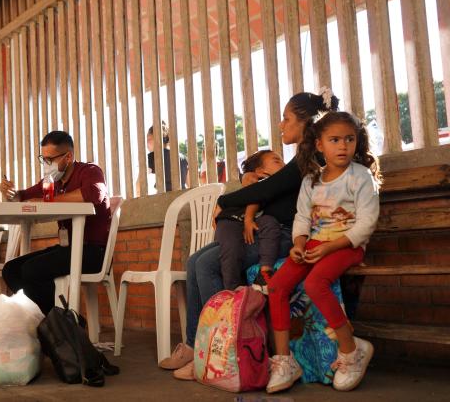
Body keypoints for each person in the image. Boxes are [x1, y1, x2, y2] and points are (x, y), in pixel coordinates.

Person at [159, 90, 339, 380]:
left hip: (282, 237)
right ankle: (197, 346)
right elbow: (265, 191)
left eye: (286, 118)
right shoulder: (302, 158)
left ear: (305, 123)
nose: (281, 125)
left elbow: (266, 191)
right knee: (194, 261)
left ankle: (224, 348)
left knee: (206, 264)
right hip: (271, 232)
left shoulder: (311, 158)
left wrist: (226, 201)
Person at [266, 111, 380, 394]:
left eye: (349, 139)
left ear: (357, 142)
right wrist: (299, 245)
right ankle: (284, 361)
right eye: (335, 140)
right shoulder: (311, 181)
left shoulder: (360, 176)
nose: (343, 146)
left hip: (347, 245)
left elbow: (366, 223)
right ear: (319, 145)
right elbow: (302, 218)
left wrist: (330, 246)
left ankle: (351, 351)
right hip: (315, 245)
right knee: (277, 286)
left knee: (315, 283)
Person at [0, 131, 111, 315]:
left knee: (32, 270)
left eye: (50, 159)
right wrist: (12, 193)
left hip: (94, 252)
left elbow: (94, 193)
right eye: (43, 159)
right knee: (11, 270)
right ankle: (44, 319)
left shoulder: (90, 171)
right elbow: (24, 196)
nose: (46, 164)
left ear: (68, 156)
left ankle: (60, 322)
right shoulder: (51, 181)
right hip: (67, 248)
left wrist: (48, 201)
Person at [215, 149, 285, 294]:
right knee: (232, 247)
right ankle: (232, 290)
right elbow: (255, 193)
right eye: (276, 161)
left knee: (270, 223)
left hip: (255, 219)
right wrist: (248, 218)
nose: (283, 164)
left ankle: (265, 270)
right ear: (260, 170)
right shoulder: (256, 178)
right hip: (231, 219)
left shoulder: (278, 183)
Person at [137, 121, 189, 195]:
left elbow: (139, 186)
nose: (146, 143)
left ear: (157, 138)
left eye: (148, 139)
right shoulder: (183, 158)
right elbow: (191, 186)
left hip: (165, 202)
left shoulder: (152, 157)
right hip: (183, 201)